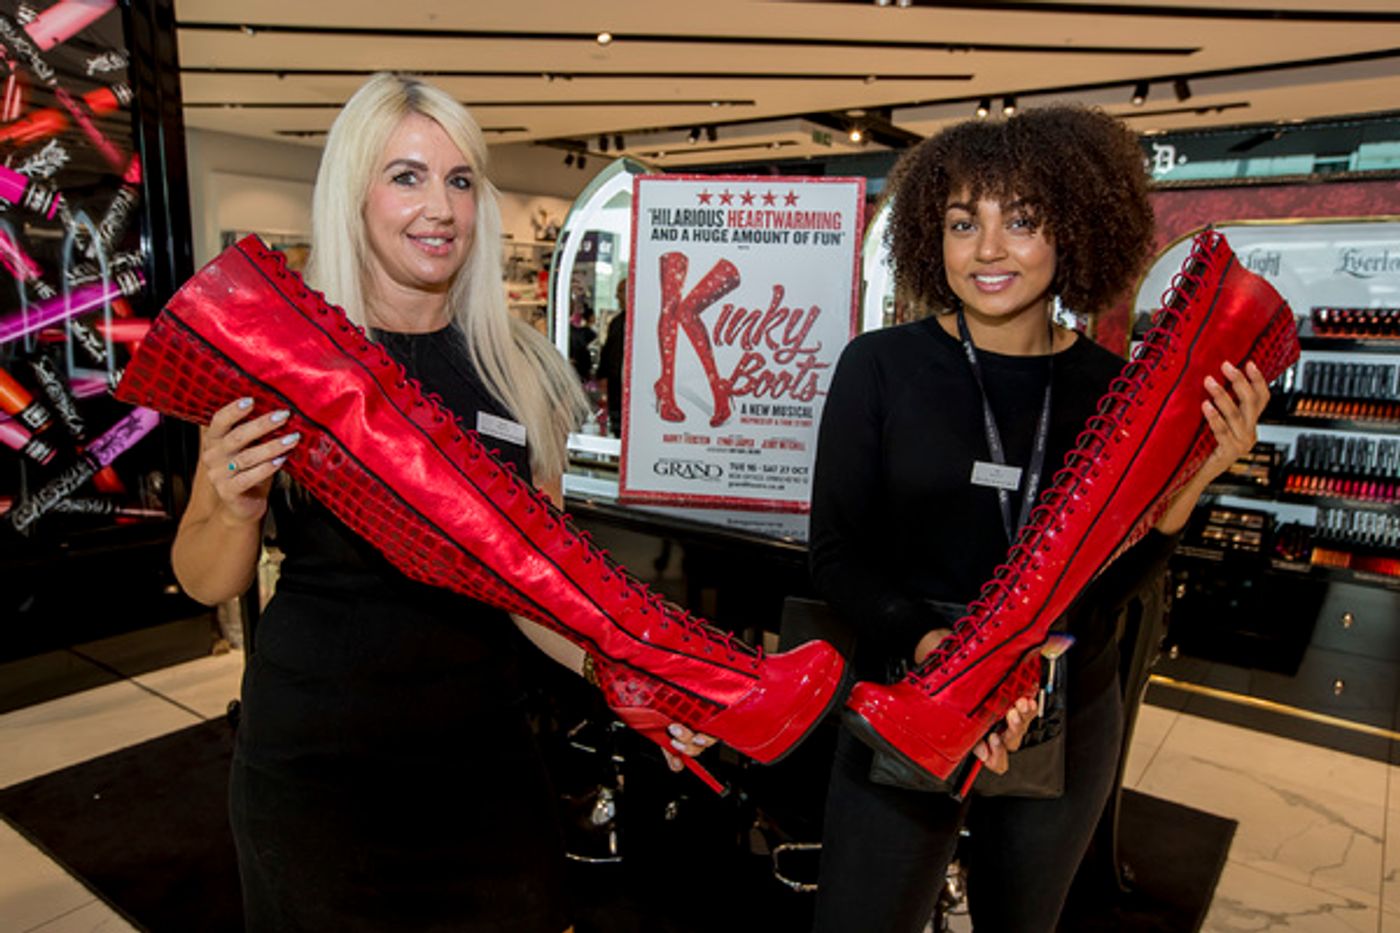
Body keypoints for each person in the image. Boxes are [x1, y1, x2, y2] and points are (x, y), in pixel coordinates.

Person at [170, 73, 709, 932]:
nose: (441, 208)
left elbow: (541, 588)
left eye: (460, 180)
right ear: (354, 194)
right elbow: (205, 579)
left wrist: (627, 673)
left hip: (486, 765)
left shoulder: (518, 371)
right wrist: (232, 507)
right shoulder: (283, 362)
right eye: (406, 176)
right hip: (315, 773)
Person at [807, 105, 1270, 933]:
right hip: (915, 682)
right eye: (963, 222)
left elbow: (1108, 590)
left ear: (1077, 229)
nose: (988, 249)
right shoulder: (879, 366)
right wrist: (937, 648)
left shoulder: (1115, 390)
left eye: (1021, 221)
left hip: (1065, 703)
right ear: (932, 237)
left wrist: (1195, 476)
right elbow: (837, 555)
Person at [597, 278, 629, 436]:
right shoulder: (616, 322)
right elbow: (608, 352)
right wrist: (602, 376)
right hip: (615, 388)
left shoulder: (640, 323)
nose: (617, 296)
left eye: (621, 291)